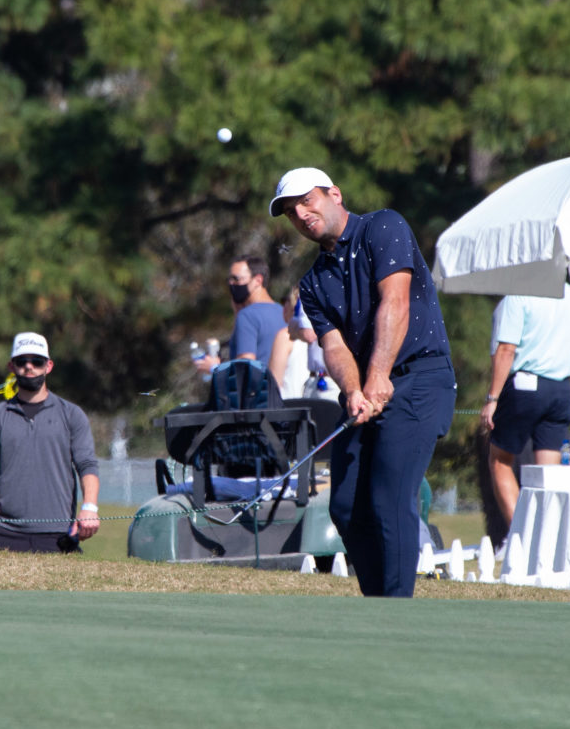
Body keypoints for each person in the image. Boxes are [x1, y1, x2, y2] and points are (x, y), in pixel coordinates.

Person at [270, 167, 456, 597]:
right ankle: (378, 604)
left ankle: (395, 609)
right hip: (368, 388)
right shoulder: (313, 282)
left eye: (307, 201)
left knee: (390, 499)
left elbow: (395, 302)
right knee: (346, 504)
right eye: (292, 212)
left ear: (334, 194)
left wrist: (377, 377)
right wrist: (354, 391)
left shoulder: (383, 226)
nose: (301, 215)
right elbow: (334, 347)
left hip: (420, 378)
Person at [480, 284, 570, 534]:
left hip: (525, 387)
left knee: (500, 461)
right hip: (560, 389)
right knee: (548, 475)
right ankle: (545, 538)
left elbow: (506, 350)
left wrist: (492, 398)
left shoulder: (518, 293)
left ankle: (521, 536)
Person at [0, 332, 100, 553]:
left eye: (37, 361)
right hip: (6, 534)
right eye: (22, 361)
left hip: (59, 534)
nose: (29, 367)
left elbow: (87, 464)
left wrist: (89, 508)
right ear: (11, 366)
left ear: (48, 366)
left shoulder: (72, 414)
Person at [193, 255, 290, 390]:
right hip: (283, 394)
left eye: (236, 279)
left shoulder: (247, 316)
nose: (231, 284)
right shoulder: (284, 312)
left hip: (257, 396)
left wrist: (214, 368)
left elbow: (245, 369)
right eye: (229, 280)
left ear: (258, 280)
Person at [287, 297, 342, 401]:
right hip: (324, 380)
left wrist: (294, 328)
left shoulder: (311, 292)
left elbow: (308, 334)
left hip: (327, 383)